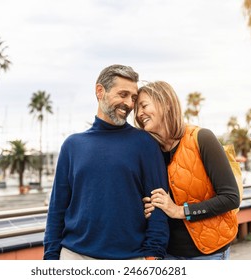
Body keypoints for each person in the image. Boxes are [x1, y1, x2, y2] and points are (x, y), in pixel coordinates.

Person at [43, 65, 169, 260]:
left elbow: (159, 206)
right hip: (73, 257)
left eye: (133, 98)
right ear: (100, 91)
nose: (129, 103)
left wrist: (153, 255)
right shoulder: (72, 146)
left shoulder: (145, 143)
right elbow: (57, 209)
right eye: (123, 94)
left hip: (131, 259)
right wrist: (51, 257)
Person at [134, 81, 240, 260]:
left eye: (143, 105)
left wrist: (179, 211)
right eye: (136, 109)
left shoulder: (201, 138)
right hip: (168, 254)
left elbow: (231, 198)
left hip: (207, 254)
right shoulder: (151, 152)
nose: (138, 114)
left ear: (166, 103)